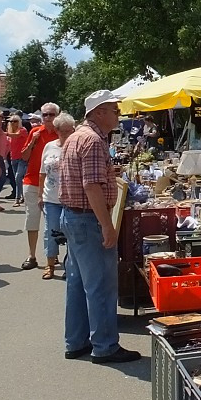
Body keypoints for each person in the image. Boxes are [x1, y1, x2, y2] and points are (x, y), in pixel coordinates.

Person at [59, 90, 140, 363]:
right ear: (99, 112)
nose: (119, 114)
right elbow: (91, 186)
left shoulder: (76, 137)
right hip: (88, 219)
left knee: (78, 283)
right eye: (115, 110)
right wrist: (107, 225)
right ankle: (105, 345)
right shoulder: (93, 140)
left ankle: (77, 341)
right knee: (101, 285)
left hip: (73, 216)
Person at [19, 102, 60, 270]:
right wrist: (32, 143)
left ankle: (52, 255)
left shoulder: (62, 134)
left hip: (54, 185)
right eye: (45, 115)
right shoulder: (35, 132)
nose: (48, 118)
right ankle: (32, 255)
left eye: (51, 114)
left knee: (54, 222)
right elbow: (24, 157)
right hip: (32, 181)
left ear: (58, 116)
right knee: (32, 220)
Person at [39, 112, 77, 280]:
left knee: (70, 233)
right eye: (62, 130)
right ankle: (50, 265)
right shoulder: (49, 147)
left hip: (71, 198)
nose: (66, 134)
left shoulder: (76, 146)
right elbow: (42, 173)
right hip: (51, 198)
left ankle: (70, 266)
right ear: (56, 130)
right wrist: (40, 195)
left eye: (69, 131)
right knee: (51, 231)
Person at [5, 114, 30, 204]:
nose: (13, 123)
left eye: (15, 121)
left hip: (22, 158)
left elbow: (16, 135)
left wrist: (5, 134)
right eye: (11, 121)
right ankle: (22, 196)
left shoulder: (22, 130)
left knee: (18, 177)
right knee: (17, 179)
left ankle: (17, 198)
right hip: (13, 158)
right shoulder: (10, 132)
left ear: (19, 122)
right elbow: (8, 146)